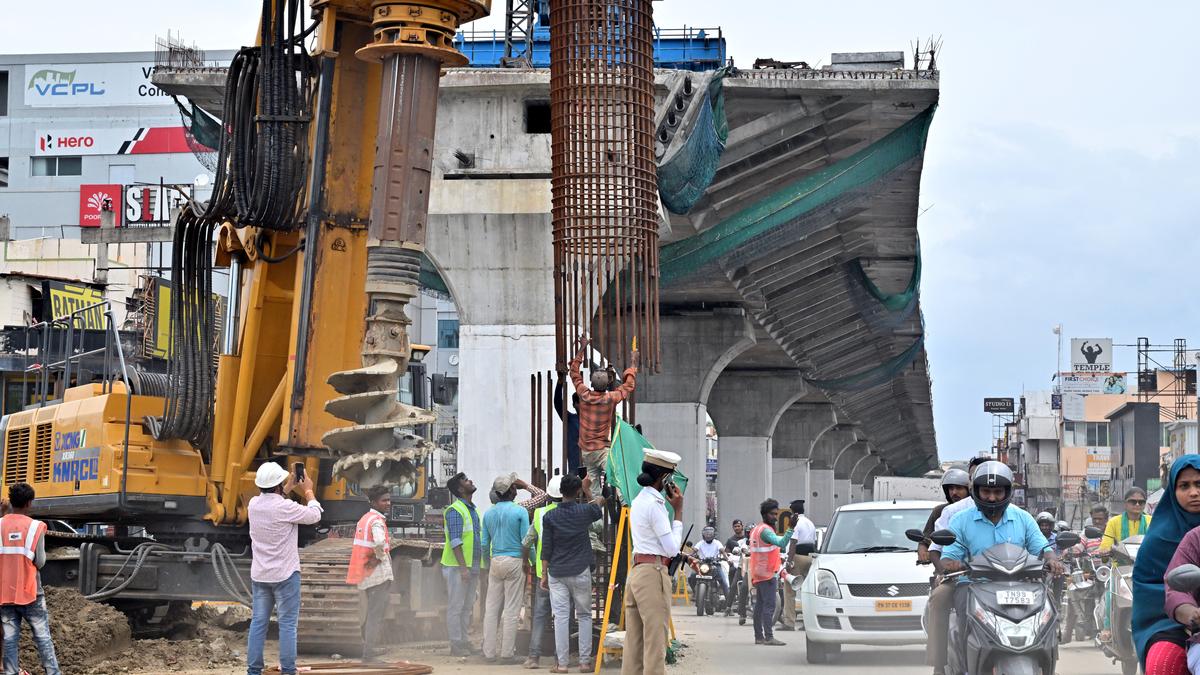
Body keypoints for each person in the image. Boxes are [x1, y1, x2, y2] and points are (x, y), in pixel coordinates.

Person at [940, 462, 1061, 667]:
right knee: (961, 613)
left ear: (1008, 492)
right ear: (976, 491)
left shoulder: (1023, 518)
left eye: (998, 491)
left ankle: (1048, 661)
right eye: (986, 491)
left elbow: (1041, 547)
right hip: (973, 585)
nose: (992, 498)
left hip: (1022, 585)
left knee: (1048, 617)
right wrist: (952, 564)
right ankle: (964, 667)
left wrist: (1052, 560)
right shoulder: (960, 520)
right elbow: (948, 556)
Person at [246, 462, 323, 675]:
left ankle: (253, 671)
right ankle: (288, 671)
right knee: (287, 625)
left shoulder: (253, 504)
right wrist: (307, 490)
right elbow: (315, 515)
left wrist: (287, 486)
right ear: (278, 485)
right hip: (285, 575)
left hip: (261, 575)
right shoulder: (285, 508)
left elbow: (273, 501)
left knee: (258, 623)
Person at [1133, 457, 1200, 675]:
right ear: (1172, 490)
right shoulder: (1161, 539)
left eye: (1199, 484)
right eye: (1184, 486)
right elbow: (1158, 589)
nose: (1193, 492)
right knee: (1164, 664)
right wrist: (1190, 614)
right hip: (1168, 624)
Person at [622, 449, 684, 675]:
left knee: (634, 642)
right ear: (664, 479)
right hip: (653, 572)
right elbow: (672, 548)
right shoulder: (655, 505)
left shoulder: (639, 500)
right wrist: (678, 512)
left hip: (637, 571)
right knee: (655, 641)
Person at [541, 473, 604, 673]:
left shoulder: (549, 516)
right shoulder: (584, 511)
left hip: (557, 572)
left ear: (560, 492)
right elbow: (597, 511)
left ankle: (562, 664)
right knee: (584, 615)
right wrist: (587, 490)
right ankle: (585, 662)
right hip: (580, 570)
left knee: (560, 617)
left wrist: (543, 573)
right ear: (577, 491)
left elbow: (546, 547)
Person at [0, 482, 60, 675]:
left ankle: (11, 672)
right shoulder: (36, 527)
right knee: (42, 636)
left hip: (5, 593)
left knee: (9, 638)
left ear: (11, 501)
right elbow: (40, 561)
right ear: (29, 503)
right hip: (31, 592)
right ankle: (52, 673)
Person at [919, 467, 969, 675]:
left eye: (960, 488)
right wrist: (943, 571)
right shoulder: (944, 513)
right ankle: (939, 662)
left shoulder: (1006, 512)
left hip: (991, 574)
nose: (955, 493)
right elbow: (932, 545)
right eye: (951, 489)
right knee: (938, 599)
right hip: (956, 575)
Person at [481, 474, 536, 664]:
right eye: (514, 487)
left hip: (495, 560)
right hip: (515, 561)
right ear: (512, 491)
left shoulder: (488, 513)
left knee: (491, 609)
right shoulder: (519, 511)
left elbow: (483, 543)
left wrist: (486, 564)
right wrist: (532, 563)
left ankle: (488, 652)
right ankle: (507, 654)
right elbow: (527, 541)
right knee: (511, 609)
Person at [569, 334, 638, 483]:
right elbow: (628, 386)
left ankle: (595, 505)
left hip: (587, 452)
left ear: (592, 384)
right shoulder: (610, 399)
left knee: (592, 486)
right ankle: (624, 502)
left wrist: (582, 347)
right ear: (607, 384)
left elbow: (574, 371)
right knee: (618, 478)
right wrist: (633, 364)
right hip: (602, 451)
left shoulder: (583, 394)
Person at [345, 485, 393, 664]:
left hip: (365, 574)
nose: (388, 503)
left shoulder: (364, 519)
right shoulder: (377, 521)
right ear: (374, 502)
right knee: (375, 614)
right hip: (377, 574)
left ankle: (368, 649)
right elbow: (380, 543)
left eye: (388, 499)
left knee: (370, 614)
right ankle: (369, 655)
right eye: (384, 500)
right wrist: (379, 558)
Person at [522, 476, 563, 669]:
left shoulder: (539, 514)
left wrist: (525, 561)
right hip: (565, 573)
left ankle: (533, 658)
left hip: (542, 574)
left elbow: (526, 542)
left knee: (540, 616)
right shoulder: (573, 512)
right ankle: (559, 657)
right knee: (563, 616)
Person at [442, 472, 484, 657]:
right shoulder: (455, 510)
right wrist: (463, 568)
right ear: (460, 489)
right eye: (466, 480)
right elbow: (455, 541)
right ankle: (456, 644)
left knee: (467, 607)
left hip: (471, 566)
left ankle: (464, 641)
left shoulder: (472, 510)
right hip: (458, 567)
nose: (471, 481)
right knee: (456, 606)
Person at [749, 498, 793, 646]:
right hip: (767, 573)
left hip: (758, 572)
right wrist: (791, 528)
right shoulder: (766, 531)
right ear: (765, 514)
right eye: (773, 514)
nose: (775, 517)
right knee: (769, 606)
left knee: (760, 606)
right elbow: (782, 543)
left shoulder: (757, 529)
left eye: (776, 514)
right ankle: (768, 637)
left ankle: (758, 636)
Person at [779, 499, 815, 632]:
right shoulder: (810, 523)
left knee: (789, 592)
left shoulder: (796, 523)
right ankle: (808, 623)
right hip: (810, 558)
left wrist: (789, 561)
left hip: (797, 557)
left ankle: (789, 623)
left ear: (793, 511)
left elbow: (793, 543)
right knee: (807, 592)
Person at [1102, 487, 1151, 553]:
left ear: (1145, 504)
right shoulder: (1113, 522)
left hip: (1145, 561)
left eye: (1141, 502)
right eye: (1133, 501)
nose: (1137, 504)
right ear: (1125, 503)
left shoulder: (1152, 521)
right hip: (1121, 562)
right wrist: (1105, 551)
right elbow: (1106, 546)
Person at [691, 526, 729, 606]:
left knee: (724, 582)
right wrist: (689, 555)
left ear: (713, 535)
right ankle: (695, 593)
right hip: (702, 565)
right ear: (703, 534)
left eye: (710, 534)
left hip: (715, 564)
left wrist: (727, 558)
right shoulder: (700, 543)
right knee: (691, 577)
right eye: (706, 534)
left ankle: (729, 606)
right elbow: (694, 550)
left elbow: (722, 551)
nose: (708, 535)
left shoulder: (717, 542)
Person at [553, 378, 582, 473]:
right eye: (579, 402)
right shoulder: (570, 419)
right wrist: (560, 383)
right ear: (574, 405)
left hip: (591, 468)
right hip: (575, 468)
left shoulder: (593, 420)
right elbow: (557, 402)